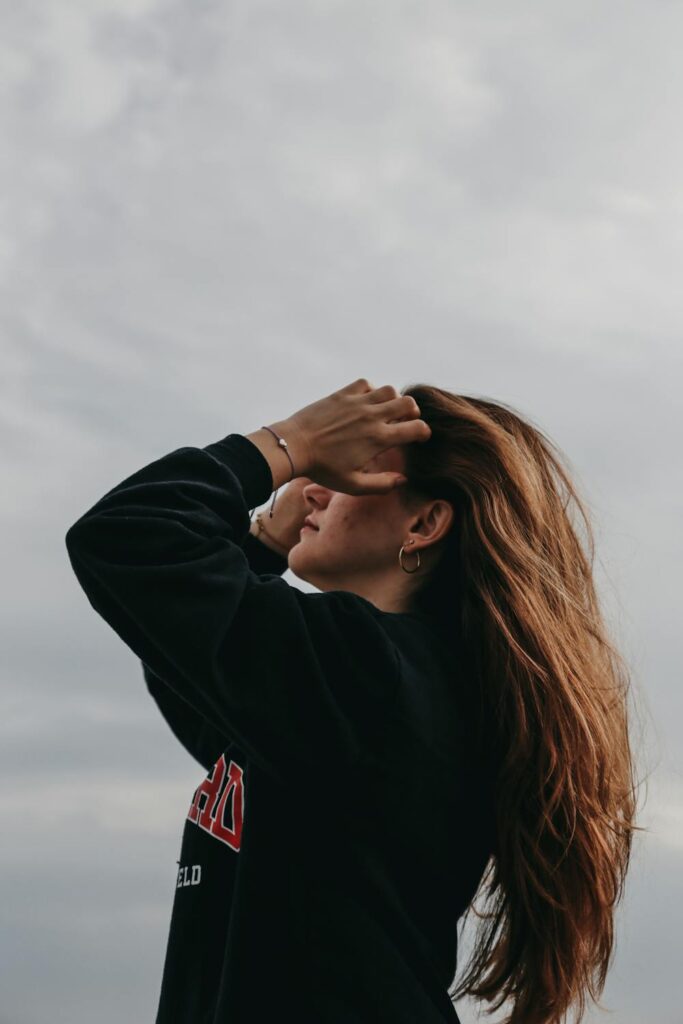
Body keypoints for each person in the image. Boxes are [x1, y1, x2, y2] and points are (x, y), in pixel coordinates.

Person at [64, 377, 638, 1024]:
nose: (312, 486)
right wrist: (264, 544)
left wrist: (291, 443)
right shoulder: (384, 685)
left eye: (348, 474)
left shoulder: (370, 675)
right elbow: (182, 667)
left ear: (423, 524)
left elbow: (126, 535)